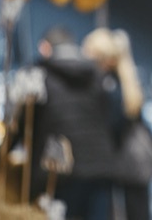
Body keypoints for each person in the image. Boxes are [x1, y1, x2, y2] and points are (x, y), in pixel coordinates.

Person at [27, 25, 117, 219]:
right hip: (100, 166)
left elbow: (26, 125)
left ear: (45, 47)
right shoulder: (96, 73)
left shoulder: (40, 75)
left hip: (63, 172)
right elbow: (110, 117)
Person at [82, 28, 152, 220]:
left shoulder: (108, 85)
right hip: (132, 163)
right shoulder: (125, 83)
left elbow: (113, 124)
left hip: (118, 161)